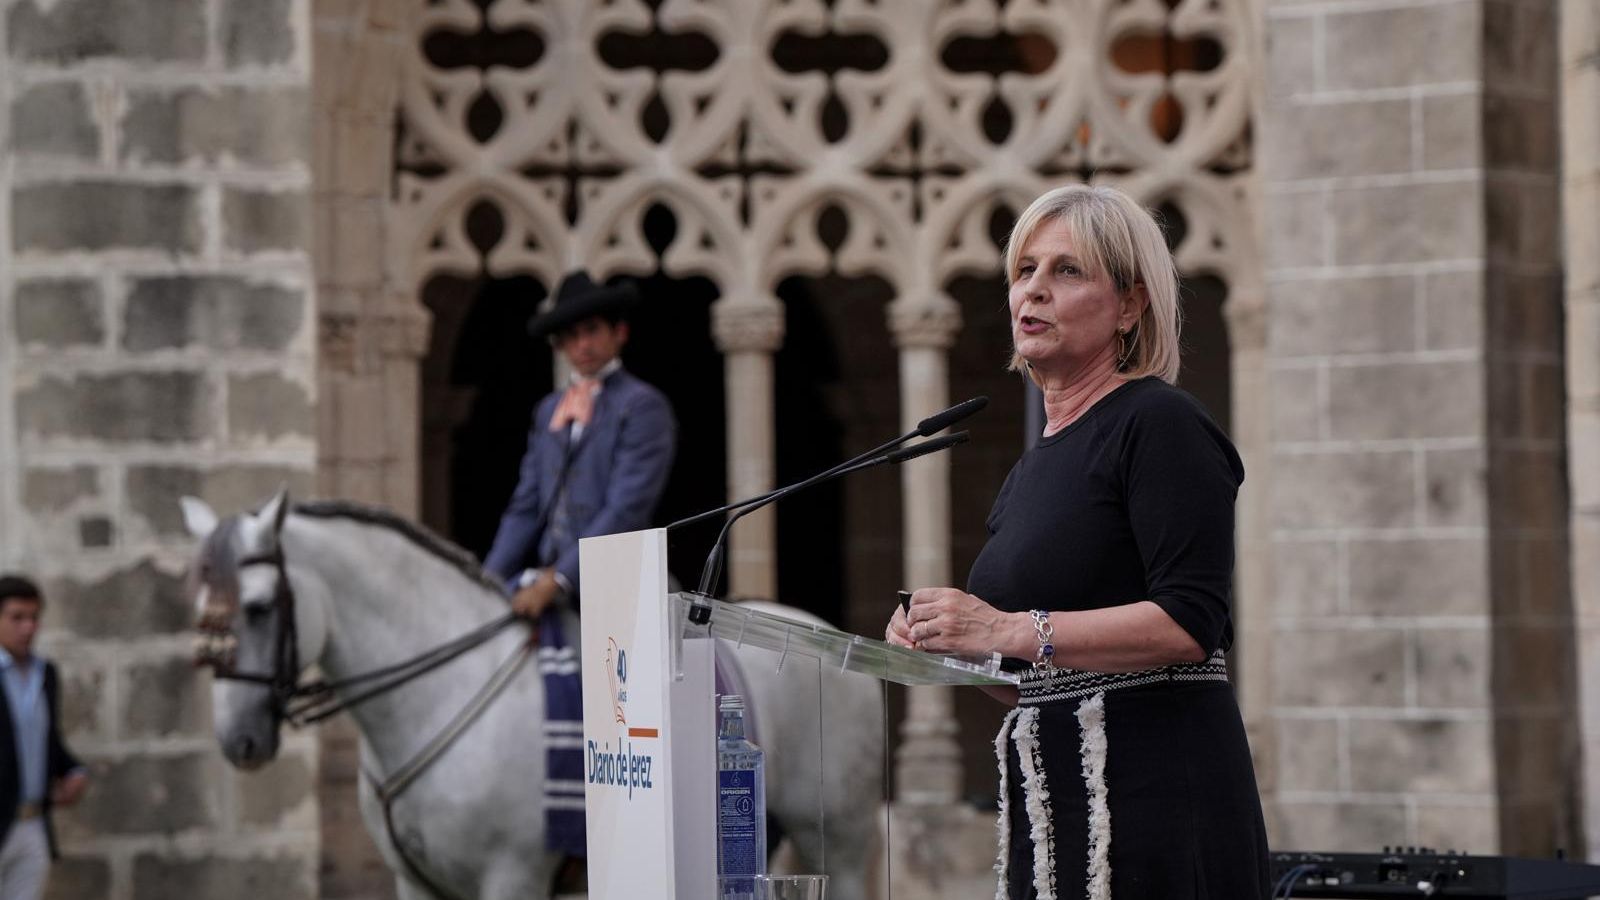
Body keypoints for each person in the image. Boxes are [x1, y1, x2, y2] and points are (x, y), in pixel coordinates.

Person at [885, 185, 1269, 899]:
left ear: (1129, 304)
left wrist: (1002, 626)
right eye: (1023, 270)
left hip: (1156, 806)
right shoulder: (1036, 465)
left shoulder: (1159, 422)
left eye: (1067, 271)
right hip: (1054, 808)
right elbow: (1035, 671)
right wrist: (949, 644)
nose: (1034, 291)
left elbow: (1191, 621)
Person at [484, 270, 678, 619]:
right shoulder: (548, 412)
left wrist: (559, 578)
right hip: (548, 579)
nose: (582, 345)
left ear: (619, 333)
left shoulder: (642, 405)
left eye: (591, 331)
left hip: (618, 580)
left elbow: (626, 509)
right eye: (571, 336)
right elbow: (526, 507)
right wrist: (487, 580)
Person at [0, 575, 87, 900]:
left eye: (34, 618)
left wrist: (74, 771)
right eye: (17, 617)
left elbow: (45, 741)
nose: (28, 627)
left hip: (32, 822)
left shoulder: (44, 673)